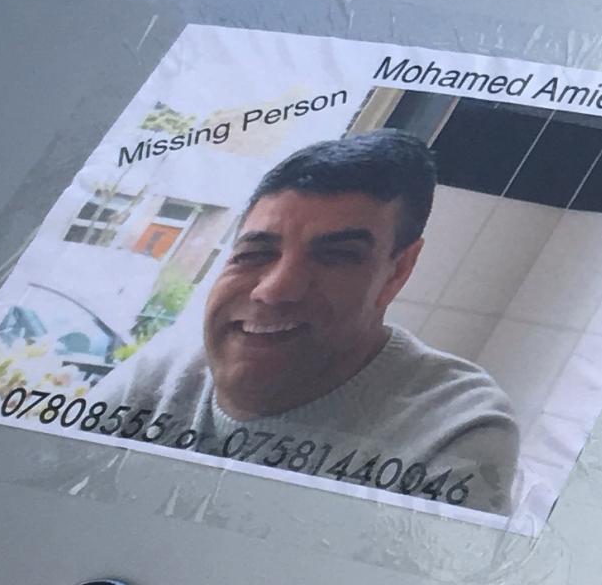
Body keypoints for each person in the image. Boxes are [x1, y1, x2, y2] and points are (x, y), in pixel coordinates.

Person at [101, 130, 520, 513]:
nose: (274, 289)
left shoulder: (454, 429)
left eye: (335, 257)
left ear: (397, 272)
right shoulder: (161, 373)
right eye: (256, 252)